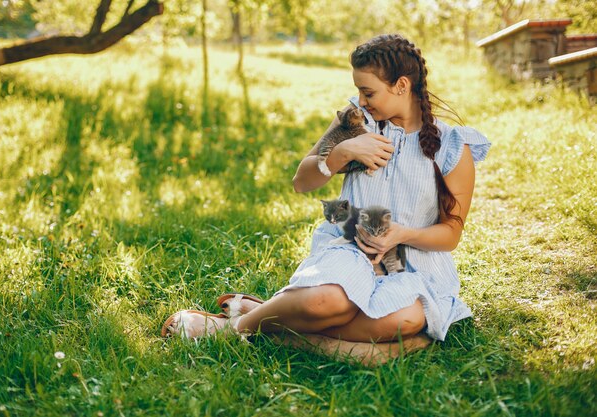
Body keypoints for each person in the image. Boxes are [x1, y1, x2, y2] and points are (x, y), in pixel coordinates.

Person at [161, 34, 491, 365]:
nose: (361, 101)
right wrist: (340, 153)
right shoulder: (355, 122)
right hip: (350, 250)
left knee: (403, 320)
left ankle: (274, 323)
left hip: (415, 265)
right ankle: (232, 329)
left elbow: (451, 233)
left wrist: (402, 234)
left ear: (402, 86)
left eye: (369, 92)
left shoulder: (451, 146)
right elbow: (302, 181)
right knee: (325, 303)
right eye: (359, 91)